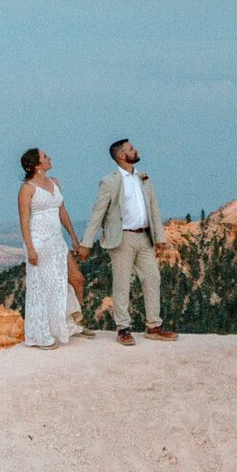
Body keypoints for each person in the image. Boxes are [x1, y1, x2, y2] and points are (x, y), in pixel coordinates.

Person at [81, 137, 172, 344]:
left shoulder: (143, 178)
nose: (136, 149)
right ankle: (123, 328)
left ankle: (154, 326)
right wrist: (86, 243)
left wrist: (160, 238)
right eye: (131, 148)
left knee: (152, 278)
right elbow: (97, 213)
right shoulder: (110, 182)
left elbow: (153, 209)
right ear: (122, 156)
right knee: (122, 283)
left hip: (145, 236)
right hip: (122, 238)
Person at [17, 147, 83, 348]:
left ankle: (72, 323)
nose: (49, 158)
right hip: (39, 241)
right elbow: (24, 221)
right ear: (37, 165)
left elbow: (62, 211)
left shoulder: (54, 183)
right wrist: (30, 249)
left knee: (76, 279)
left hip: (57, 241)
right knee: (44, 288)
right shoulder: (27, 189)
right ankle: (42, 334)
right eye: (45, 156)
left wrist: (73, 236)